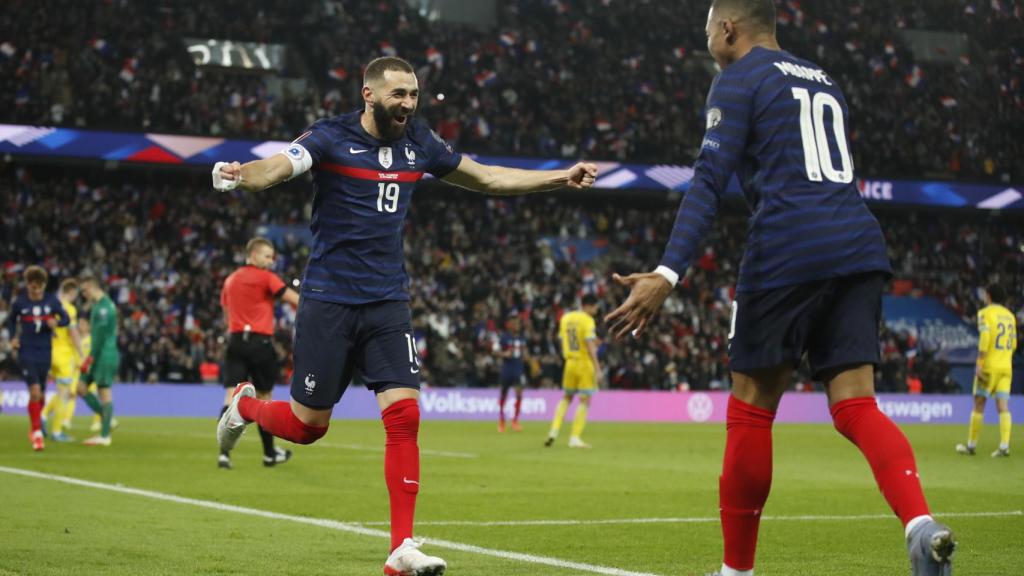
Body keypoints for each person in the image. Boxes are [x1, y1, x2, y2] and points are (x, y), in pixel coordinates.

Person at [604, 2, 954, 575]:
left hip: (788, 246)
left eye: (708, 32)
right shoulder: (823, 79)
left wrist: (667, 273)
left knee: (751, 412)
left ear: (727, 30)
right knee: (856, 405)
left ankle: (736, 572)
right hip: (860, 244)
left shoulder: (737, 80)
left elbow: (709, 182)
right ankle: (919, 523)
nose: (708, 43)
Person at [212, 56, 596, 575]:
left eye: (413, 95)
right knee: (307, 428)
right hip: (328, 301)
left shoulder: (420, 143)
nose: (408, 104)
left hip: (388, 303)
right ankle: (246, 405)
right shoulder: (330, 137)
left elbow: (487, 178)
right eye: (399, 95)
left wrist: (559, 178)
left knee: (405, 418)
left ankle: (401, 549)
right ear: (369, 95)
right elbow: (279, 165)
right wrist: (241, 176)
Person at [218, 237, 300, 469]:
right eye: (266, 256)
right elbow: (294, 299)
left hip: (235, 341)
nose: (271, 261)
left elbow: (226, 312)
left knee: (230, 395)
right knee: (265, 399)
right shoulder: (266, 278)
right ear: (253, 255)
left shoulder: (230, 280)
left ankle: (224, 453)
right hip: (260, 343)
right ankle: (269, 454)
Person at [7, 266, 70, 451]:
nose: (35, 291)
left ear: (43, 286)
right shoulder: (20, 302)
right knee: (34, 391)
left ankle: (34, 424)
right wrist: (13, 338)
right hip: (26, 351)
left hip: (45, 351)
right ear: (27, 286)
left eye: (39, 287)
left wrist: (56, 323)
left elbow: (66, 319)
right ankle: (37, 434)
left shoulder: (52, 301)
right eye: (32, 287)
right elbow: (11, 321)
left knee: (40, 394)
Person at [957, 284, 1016, 458]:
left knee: (979, 403)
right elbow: (1013, 345)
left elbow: (985, 338)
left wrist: (980, 363)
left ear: (988, 296)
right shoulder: (1010, 317)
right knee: (1003, 406)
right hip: (1006, 367)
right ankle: (1004, 446)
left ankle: (971, 445)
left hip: (989, 367)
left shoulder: (985, 314)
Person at [545, 294, 601, 449]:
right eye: (595, 307)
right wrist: (597, 368)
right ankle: (574, 437)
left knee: (566, 398)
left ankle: (553, 431)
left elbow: (563, 339)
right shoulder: (588, 320)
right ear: (589, 306)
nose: (596, 310)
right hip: (584, 363)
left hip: (569, 363)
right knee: (585, 400)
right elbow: (590, 345)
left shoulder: (566, 318)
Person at [77, 275, 120, 447]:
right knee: (80, 387)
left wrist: (89, 358)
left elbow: (100, 338)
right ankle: (108, 419)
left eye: (85, 290)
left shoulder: (103, 309)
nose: (83, 294)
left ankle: (104, 436)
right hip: (99, 355)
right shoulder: (101, 305)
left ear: (93, 287)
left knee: (104, 393)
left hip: (103, 356)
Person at [42, 278, 85, 442]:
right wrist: (81, 352)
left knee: (53, 390)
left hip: (47, 353)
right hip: (64, 355)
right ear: (72, 293)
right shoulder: (69, 309)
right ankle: (57, 431)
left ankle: (42, 416)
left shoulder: (49, 305)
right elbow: (72, 333)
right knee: (63, 393)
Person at [496, 311, 529, 432]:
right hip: (507, 369)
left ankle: (515, 420)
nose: (517, 325)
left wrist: (526, 356)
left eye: (518, 323)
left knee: (519, 393)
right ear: (509, 324)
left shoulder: (522, 338)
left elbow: (525, 352)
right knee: (503, 394)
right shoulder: (504, 337)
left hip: (518, 369)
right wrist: (504, 354)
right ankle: (501, 420)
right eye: (515, 323)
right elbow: (496, 351)